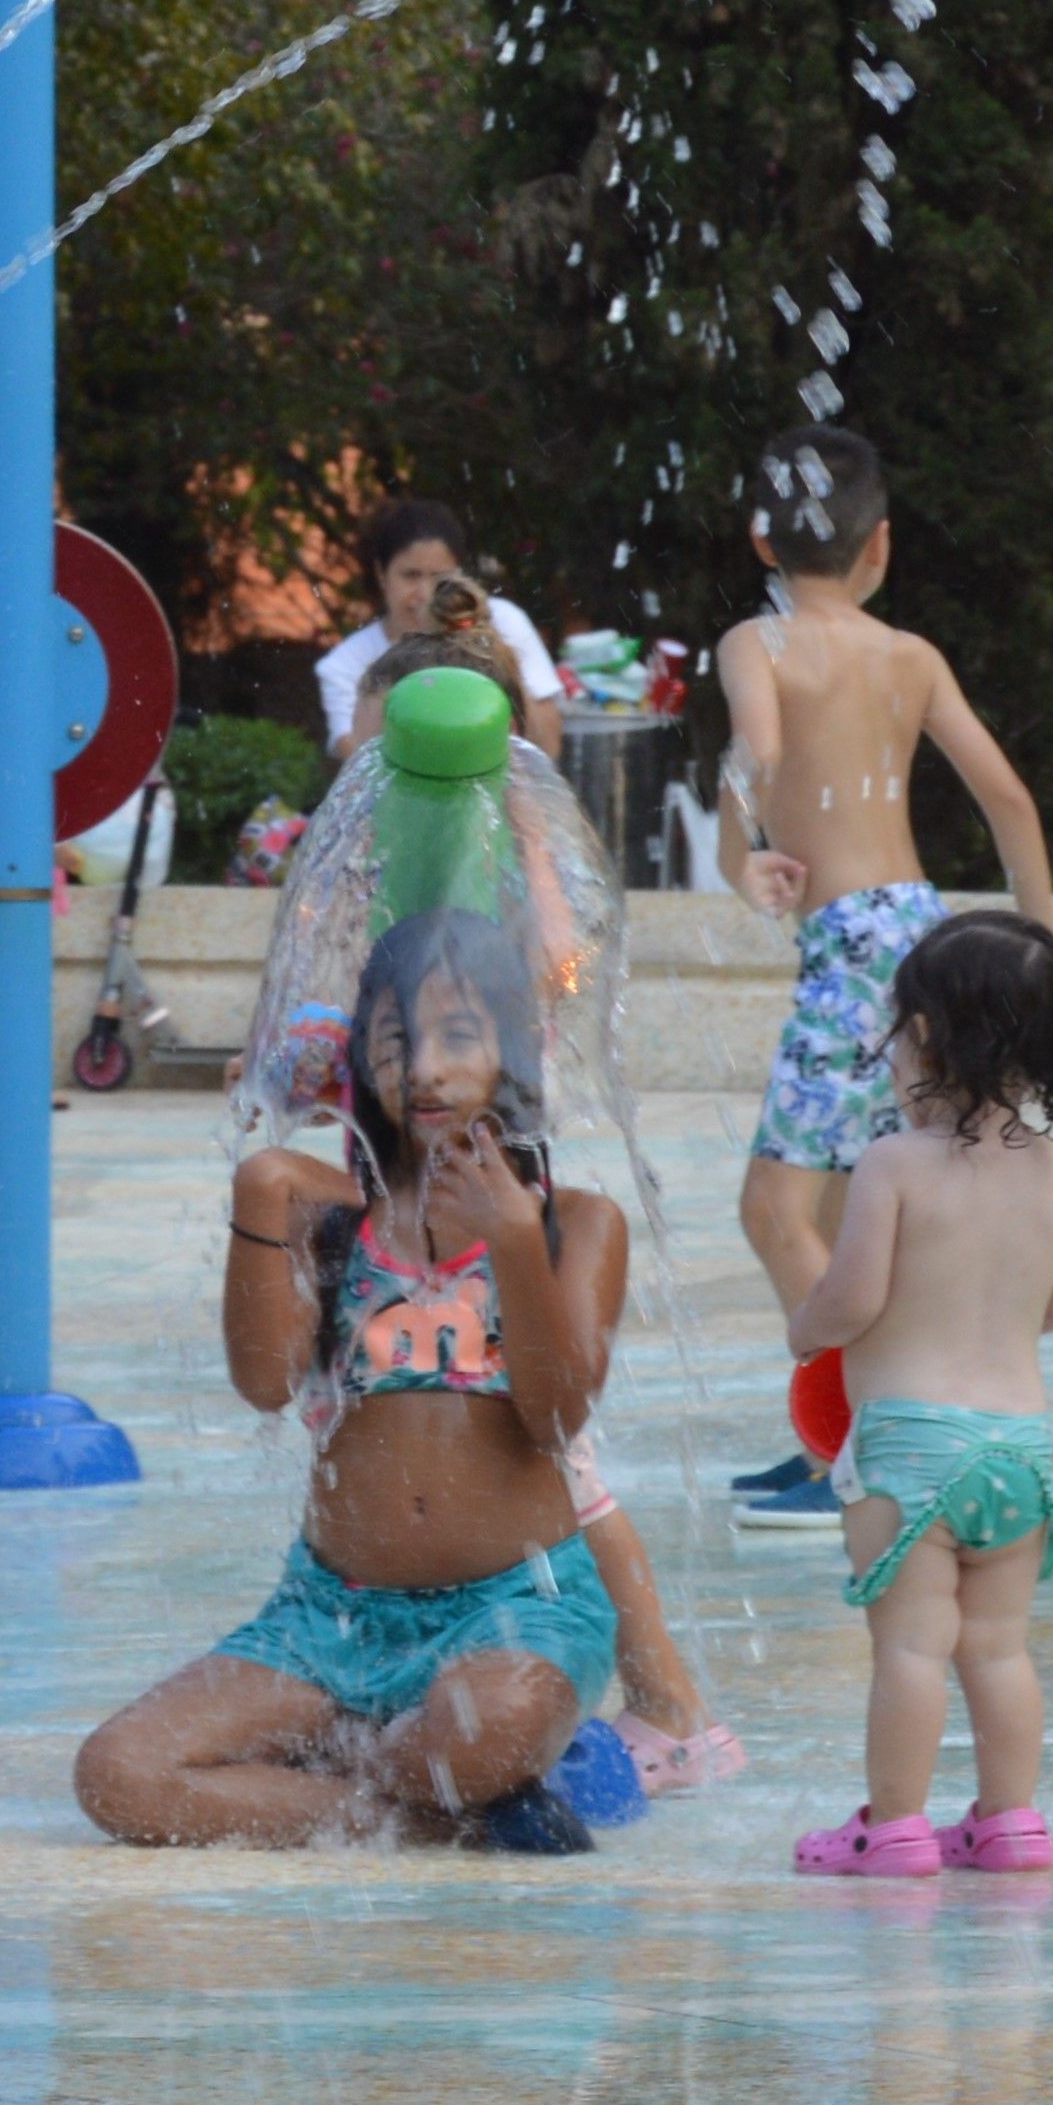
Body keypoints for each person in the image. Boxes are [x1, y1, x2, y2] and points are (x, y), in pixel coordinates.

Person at [73, 904, 627, 1853]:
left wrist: (511, 1243)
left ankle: (402, 1761)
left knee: (487, 1725)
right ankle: (420, 1814)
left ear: (517, 1050)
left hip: (512, 1607)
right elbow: (261, 1382)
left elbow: (554, 1414)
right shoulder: (327, 1215)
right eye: (394, 1041)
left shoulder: (575, 1220)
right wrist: (259, 1202)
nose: (422, 1069)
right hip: (325, 1619)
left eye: (458, 1036)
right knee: (118, 1775)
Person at [352, 619, 733, 1789]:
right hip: (412, 1154)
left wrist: (490, 1006)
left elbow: (562, 958)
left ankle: (675, 1707)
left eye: (383, 742)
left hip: (492, 1156)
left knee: (565, 1462)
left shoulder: (502, 829)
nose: (366, 765)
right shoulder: (389, 844)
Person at [709, 434, 1053, 1532]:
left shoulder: (755, 641)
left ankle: (859, 1438)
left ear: (760, 538)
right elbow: (1009, 798)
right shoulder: (911, 654)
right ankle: (861, 1429)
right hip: (920, 924)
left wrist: (735, 853)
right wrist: (1041, 946)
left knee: (774, 1206)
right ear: (882, 545)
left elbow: (754, 756)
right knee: (857, 1198)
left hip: (851, 943)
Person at [783, 910, 1053, 1876]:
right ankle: (1009, 1823)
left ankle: (896, 1828)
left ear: (921, 1035)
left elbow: (852, 1297)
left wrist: (808, 1327)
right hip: (1018, 1449)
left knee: (911, 1649)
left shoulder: (893, 1162)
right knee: (997, 1648)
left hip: (909, 1448)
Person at [315, 496, 568, 763]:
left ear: (459, 573)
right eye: (411, 575)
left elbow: (548, 749)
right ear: (381, 574)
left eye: (439, 577)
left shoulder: (503, 621)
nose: (425, 594)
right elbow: (360, 767)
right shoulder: (345, 664)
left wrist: (497, 659)